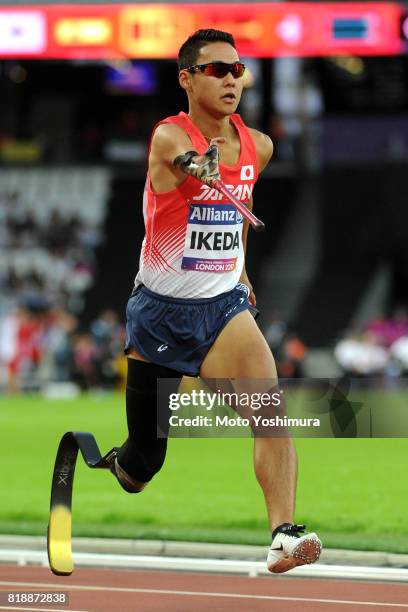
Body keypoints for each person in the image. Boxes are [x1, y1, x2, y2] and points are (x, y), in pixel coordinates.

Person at [108, 28, 322, 574]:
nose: (232, 79)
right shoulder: (167, 137)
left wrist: (242, 269)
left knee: (269, 411)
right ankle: (117, 462)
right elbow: (181, 159)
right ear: (187, 78)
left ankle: (283, 534)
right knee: (142, 464)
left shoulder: (260, 146)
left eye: (238, 69)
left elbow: (236, 210)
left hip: (221, 308)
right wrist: (197, 167)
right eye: (217, 70)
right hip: (158, 310)